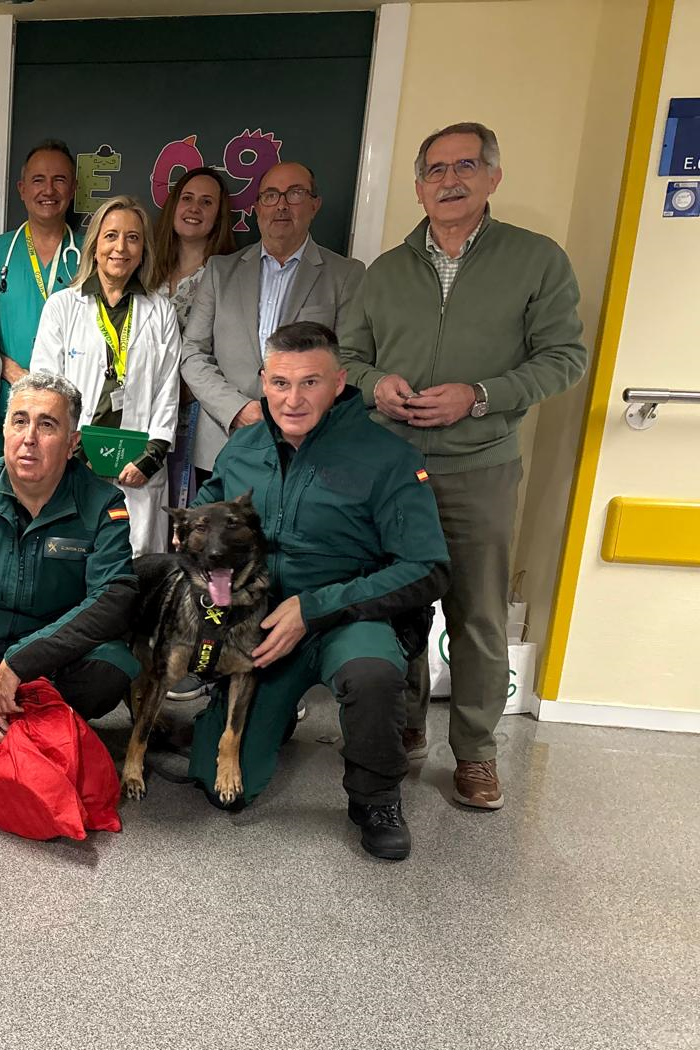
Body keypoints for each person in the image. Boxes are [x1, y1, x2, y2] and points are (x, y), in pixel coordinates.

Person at [339, 121, 586, 810]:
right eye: (436, 170)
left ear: (492, 177)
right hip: (393, 471)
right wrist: (375, 384)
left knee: (477, 612)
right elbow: (349, 358)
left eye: (466, 166)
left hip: (481, 466)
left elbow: (565, 358)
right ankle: (406, 724)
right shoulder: (386, 271)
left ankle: (476, 752)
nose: (450, 180)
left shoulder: (536, 260)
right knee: (399, 605)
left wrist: (478, 396)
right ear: (419, 187)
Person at [188, 323, 450, 861]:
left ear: (339, 382)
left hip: (347, 615)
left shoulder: (387, 457)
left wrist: (313, 608)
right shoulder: (243, 447)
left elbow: (428, 569)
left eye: (310, 382)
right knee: (221, 790)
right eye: (280, 383)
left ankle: (377, 798)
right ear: (264, 381)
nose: (293, 399)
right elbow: (203, 516)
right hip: (261, 622)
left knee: (371, 674)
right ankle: (272, 716)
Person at [0, 372, 139, 806]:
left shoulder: (101, 504)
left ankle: (46, 721)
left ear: (72, 443)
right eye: (19, 421)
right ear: (6, 429)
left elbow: (114, 598)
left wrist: (24, 660)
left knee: (111, 667)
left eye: (47, 425)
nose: (29, 438)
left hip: (49, 667)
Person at [180, 161, 365, 486]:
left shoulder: (345, 275)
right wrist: (238, 409)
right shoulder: (221, 271)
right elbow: (192, 352)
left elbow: (347, 360)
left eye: (295, 194)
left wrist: (294, 413)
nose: (281, 205)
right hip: (224, 443)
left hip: (306, 448)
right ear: (256, 208)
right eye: (270, 195)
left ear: (314, 205)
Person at [29, 195, 180, 553]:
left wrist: (152, 455)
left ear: (143, 251)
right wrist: (70, 449)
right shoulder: (63, 306)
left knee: (134, 565)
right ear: (94, 246)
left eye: (133, 238)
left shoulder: (161, 311)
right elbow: (45, 387)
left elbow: (168, 389)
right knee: (72, 557)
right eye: (111, 236)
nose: (121, 248)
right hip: (74, 459)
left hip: (137, 469)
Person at [0, 140, 81, 456]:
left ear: (73, 188)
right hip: (6, 402)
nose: (48, 190)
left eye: (59, 180)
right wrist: (7, 368)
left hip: (67, 405)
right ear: (21, 189)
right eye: (38, 180)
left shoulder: (92, 252)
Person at [149, 166, 238, 510]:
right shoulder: (146, 268)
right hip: (145, 413)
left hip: (198, 418)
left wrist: (180, 393)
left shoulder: (228, 276)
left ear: (219, 215)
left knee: (187, 513)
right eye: (187, 198)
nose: (194, 208)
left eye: (206, 202)